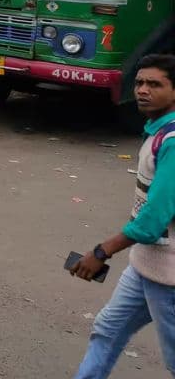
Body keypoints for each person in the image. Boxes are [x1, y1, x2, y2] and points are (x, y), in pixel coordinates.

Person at [69, 53, 175, 377]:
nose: (143, 90)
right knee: (107, 329)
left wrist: (102, 251)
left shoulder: (172, 141)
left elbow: (152, 221)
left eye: (155, 84)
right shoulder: (156, 131)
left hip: (169, 279)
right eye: (140, 82)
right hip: (145, 267)